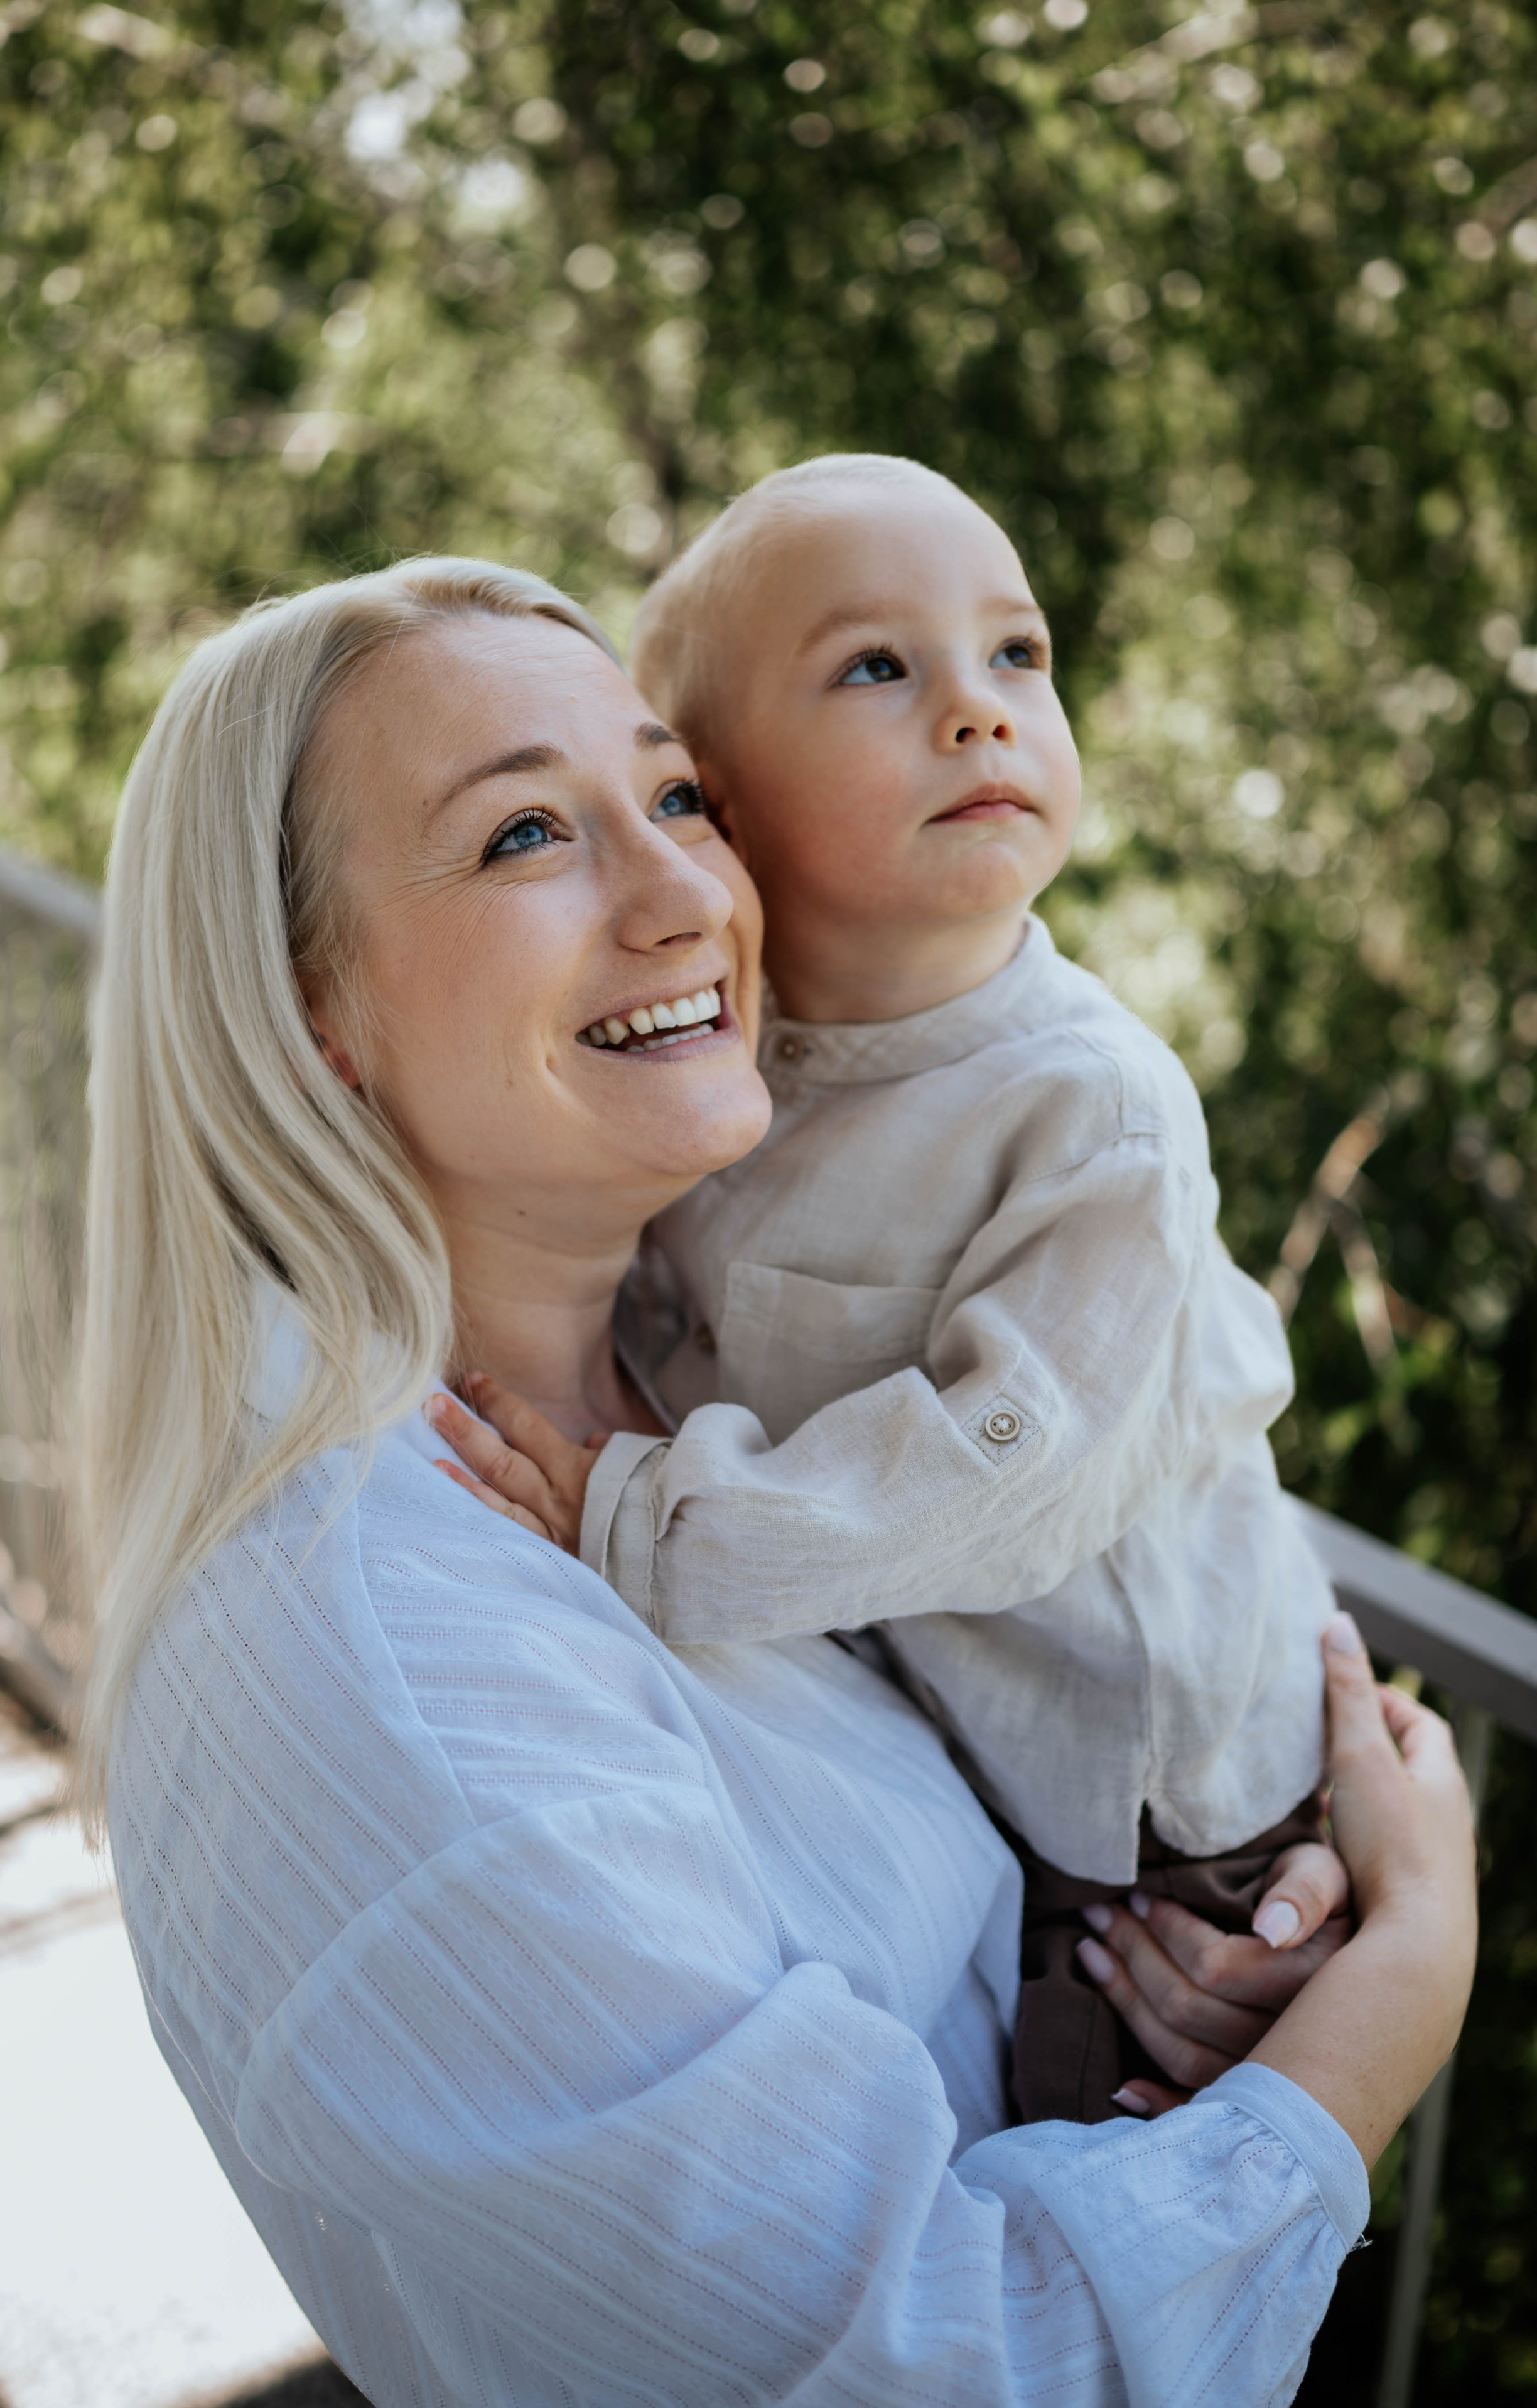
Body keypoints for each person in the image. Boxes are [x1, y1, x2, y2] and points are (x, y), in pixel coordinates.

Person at [80, 557, 1477, 2408]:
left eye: (677, 797)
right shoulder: (392, 1655)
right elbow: (972, 2363)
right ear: (306, 1012)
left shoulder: (705, 1372)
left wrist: (1193, 1972)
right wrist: (1390, 2007)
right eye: (521, 836)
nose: (684, 893)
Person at [436, 455, 1336, 2125]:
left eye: (1017, 655)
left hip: (1162, 1810)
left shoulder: (1095, 1113)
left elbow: (1006, 1472)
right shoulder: (726, 1059)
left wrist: (643, 1520)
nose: (981, 713)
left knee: (1099, 2168)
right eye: (878, 666)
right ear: (713, 794)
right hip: (953, 1736)